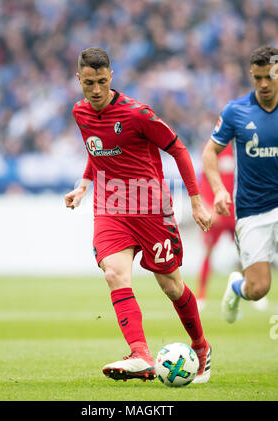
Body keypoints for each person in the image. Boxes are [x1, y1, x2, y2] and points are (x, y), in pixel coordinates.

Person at [65, 47, 212, 383]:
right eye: (90, 83)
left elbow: (178, 148)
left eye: (103, 81)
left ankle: (201, 347)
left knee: (171, 285)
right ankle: (140, 353)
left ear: (112, 77)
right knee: (115, 274)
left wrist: (196, 200)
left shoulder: (137, 113)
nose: (97, 90)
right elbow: (95, 149)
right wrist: (84, 185)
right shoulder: (79, 112)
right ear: (79, 79)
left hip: (151, 209)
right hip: (111, 208)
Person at [202, 45, 278, 324]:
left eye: (270, 76)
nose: (264, 83)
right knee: (258, 289)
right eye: (257, 78)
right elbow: (210, 152)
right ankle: (237, 287)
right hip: (252, 210)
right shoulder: (236, 111)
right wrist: (220, 190)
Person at [196, 143, 235, 310]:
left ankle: (253, 293)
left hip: (236, 212)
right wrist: (210, 207)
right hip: (218, 212)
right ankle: (201, 293)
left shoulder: (243, 146)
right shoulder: (212, 147)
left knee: (247, 253)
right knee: (208, 251)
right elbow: (204, 180)